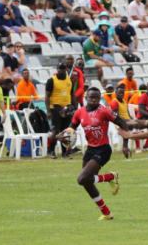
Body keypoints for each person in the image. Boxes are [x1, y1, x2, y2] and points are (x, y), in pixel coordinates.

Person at [55, 86, 130, 220]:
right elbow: (72, 127)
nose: (94, 100)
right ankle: (107, 212)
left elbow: (123, 123)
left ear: (99, 98)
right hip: (90, 150)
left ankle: (111, 178)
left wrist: (125, 145)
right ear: (86, 98)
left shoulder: (105, 111)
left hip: (103, 150)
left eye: (96, 98)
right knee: (87, 182)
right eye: (91, 97)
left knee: (82, 179)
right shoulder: (79, 112)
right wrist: (63, 135)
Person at [45, 62, 77, 159]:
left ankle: (65, 153)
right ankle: (50, 150)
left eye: (63, 68)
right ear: (57, 69)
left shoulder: (70, 80)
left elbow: (72, 95)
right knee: (56, 130)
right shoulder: (51, 80)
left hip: (67, 108)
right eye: (60, 68)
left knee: (67, 131)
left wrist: (76, 108)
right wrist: (49, 111)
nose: (61, 70)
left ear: (66, 69)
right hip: (55, 108)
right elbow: (47, 96)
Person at [110, 85, 144, 153]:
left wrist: (133, 118)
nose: (121, 94)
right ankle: (137, 148)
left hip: (127, 121)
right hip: (120, 123)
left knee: (141, 123)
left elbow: (128, 114)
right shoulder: (114, 102)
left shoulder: (124, 101)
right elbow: (117, 117)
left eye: (122, 93)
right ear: (116, 92)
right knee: (135, 124)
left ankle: (146, 146)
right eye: (119, 92)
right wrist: (129, 120)